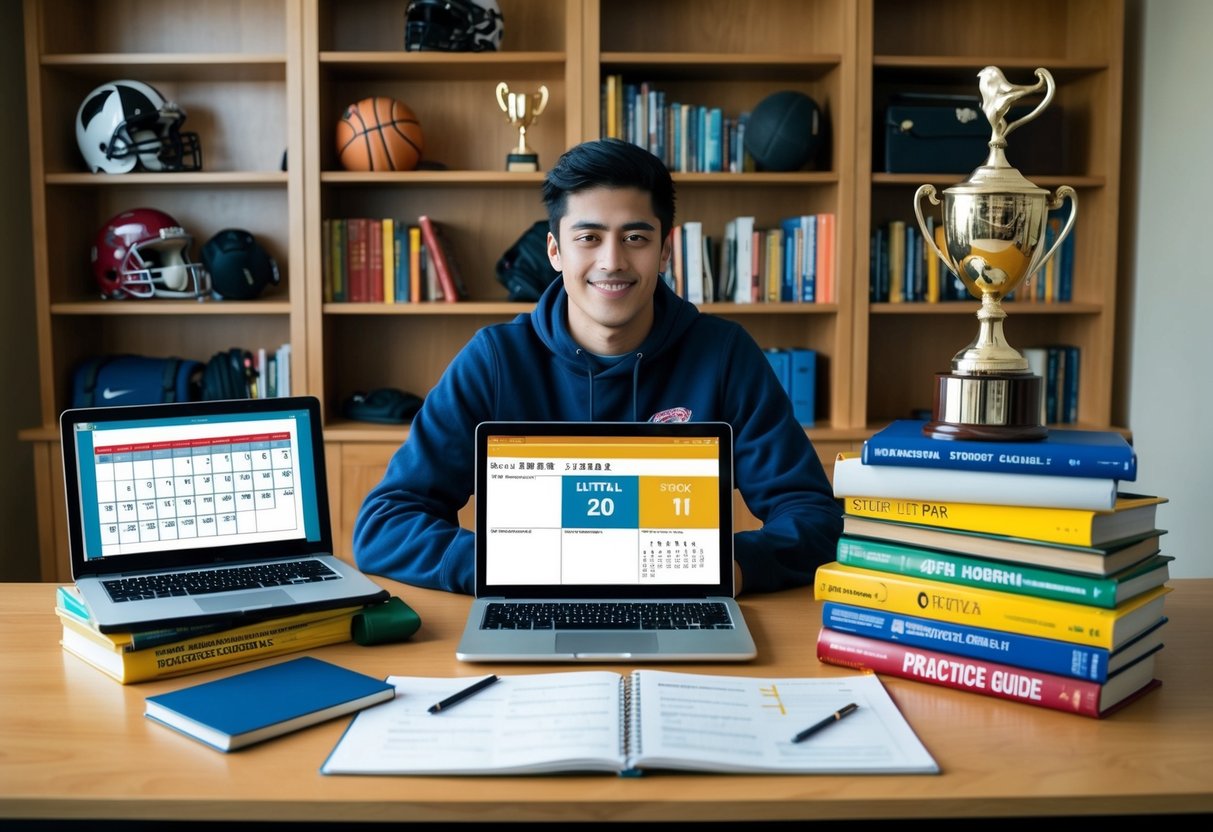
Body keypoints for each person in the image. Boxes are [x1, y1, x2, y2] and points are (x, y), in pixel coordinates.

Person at [353, 137, 841, 595]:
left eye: (635, 237)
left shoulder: (725, 354)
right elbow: (384, 525)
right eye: (588, 237)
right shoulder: (495, 360)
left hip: (678, 600)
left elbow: (814, 517)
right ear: (555, 250)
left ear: (666, 250)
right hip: (528, 603)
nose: (612, 261)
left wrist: (728, 565)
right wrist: (510, 564)